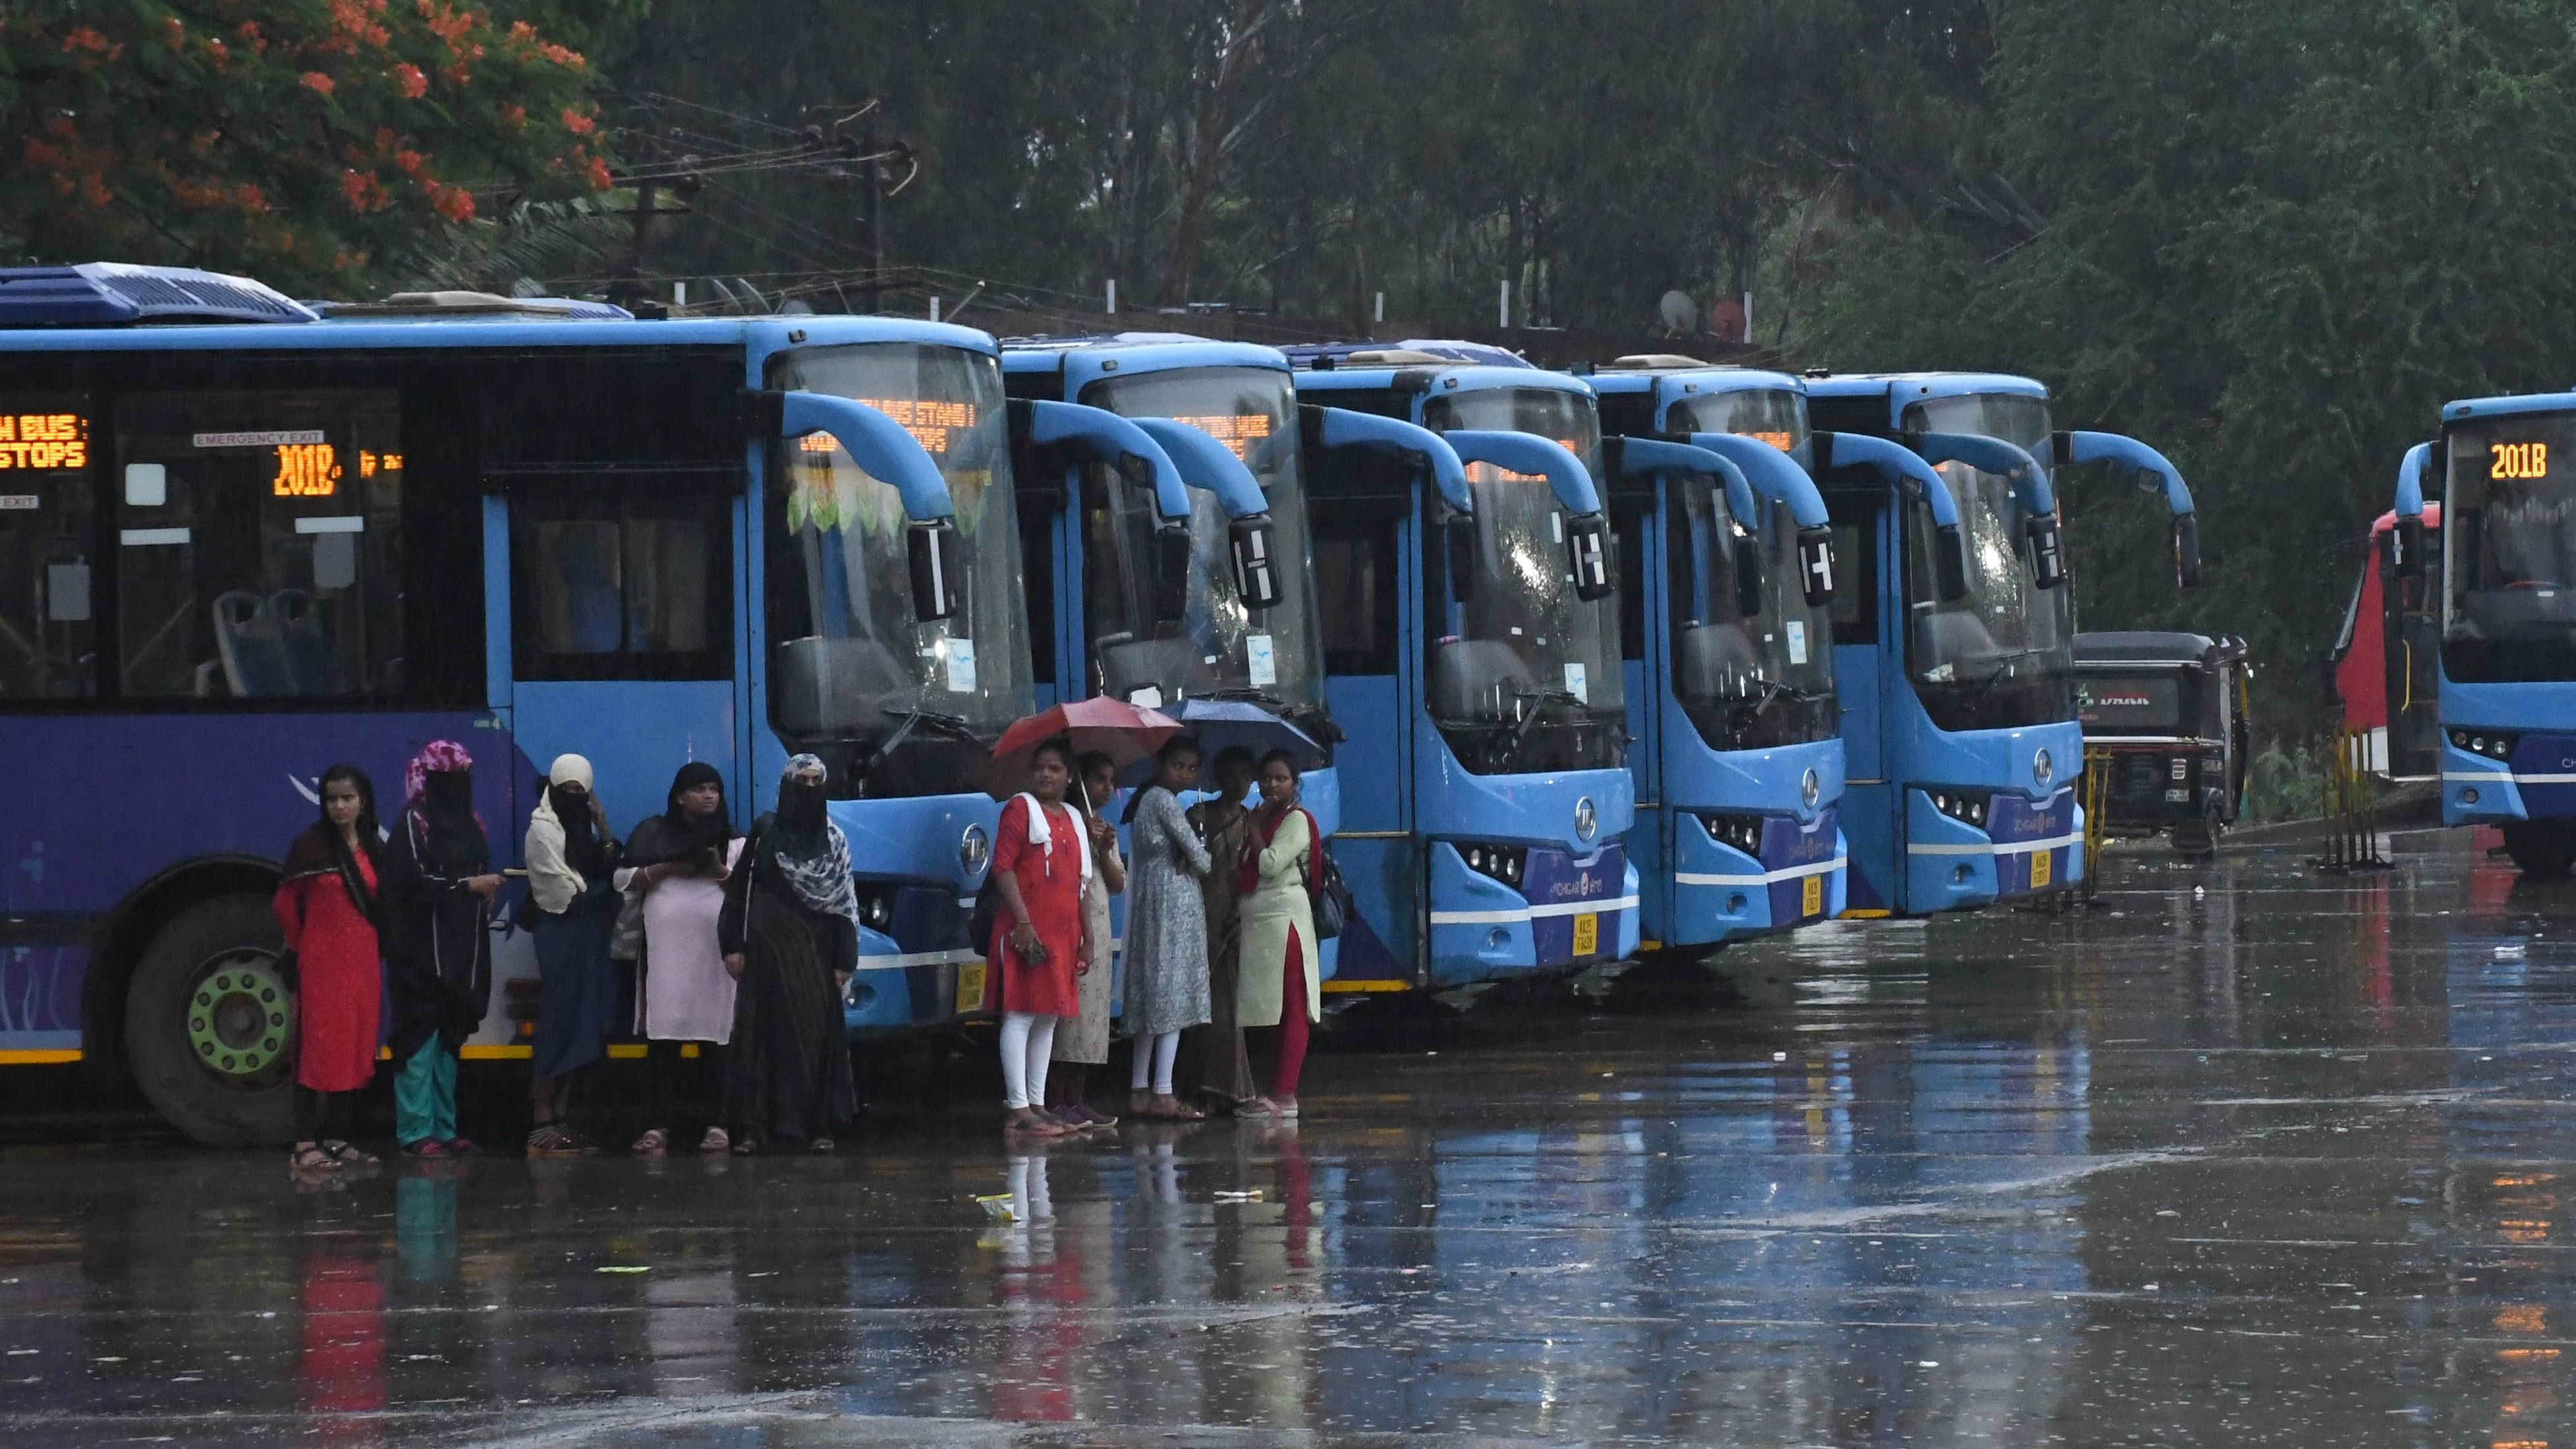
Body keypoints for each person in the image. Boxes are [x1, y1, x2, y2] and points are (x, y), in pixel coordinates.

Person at [718, 754, 862, 1152]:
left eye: (818, 781)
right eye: (803, 781)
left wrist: (844, 960)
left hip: (815, 956)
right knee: (759, 1038)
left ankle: (817, 1127)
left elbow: (845, 905)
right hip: (765, 953)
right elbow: (740, 892)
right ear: (786, 785)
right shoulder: (766, 831)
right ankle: (753, 1129)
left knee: (813, 1040)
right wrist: (732, 945)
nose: (810, 789)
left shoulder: (834, 840)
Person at [381, 741, 501, 1156]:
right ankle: (416, 1132)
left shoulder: (472, 822)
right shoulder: (414, 824)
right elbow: (410, 883)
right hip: (420, 952)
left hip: (462, 952)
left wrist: (484, 892)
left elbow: (480, 871)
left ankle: (446, 1129)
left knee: (449, 1040)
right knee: (419, 1039)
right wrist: (467, 886)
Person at [619, 762, 743, 1156]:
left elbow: (745, 887)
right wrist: (668, 867)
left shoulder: (733, 839)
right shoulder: (653, 832)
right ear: (679, 796)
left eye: (715, 789)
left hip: (715, 950)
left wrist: (717, 869)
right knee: (664, 1037)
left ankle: (719, 1125)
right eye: (700, 789)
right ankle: (657, 1126)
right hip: (666, 952)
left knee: (718, 1037)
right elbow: (622, 879)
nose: (710, 796)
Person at [278, 763, 386, 1170]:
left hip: (363, 964)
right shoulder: (310, 846)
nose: (339, 806)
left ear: (363, 802)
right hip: (322, 963)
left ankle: (339, 1138)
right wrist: (301, 946)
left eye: (348, 798)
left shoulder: (374, 846)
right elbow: (285, 903)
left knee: (355, 1047)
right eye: (331, 799)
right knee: (317, 1049)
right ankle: (305, 1144)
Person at [989, 739, 1089, 1137]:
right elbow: (1002, 868)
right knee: (1020, 1013)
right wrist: (1024, 921)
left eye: (1055, 769)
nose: (1046, 775)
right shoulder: (1020, 809)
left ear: (1068, 777)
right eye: (1040, 768)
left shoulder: (1073, 818)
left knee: (1047, 1018)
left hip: (1064, 933)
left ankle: (1038, 1103)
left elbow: (1081, 885)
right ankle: (1018, 1107)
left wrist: (1090, 938)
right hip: (1027, 929)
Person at [522, 754, 620, 1157]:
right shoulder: (542, 831)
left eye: (582, 791)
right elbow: (563, 893)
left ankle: (560, 1121)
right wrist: (606, 895)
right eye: (568, 790)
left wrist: (602, 824)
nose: (575, 797)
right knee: (560, 1020)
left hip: (590, 938)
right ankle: (542, 1124)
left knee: (585, 1021)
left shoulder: (582, 829)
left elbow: (608, 863)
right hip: (561, 934)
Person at [1121, 737, 1214, 1120]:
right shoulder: (1163, 800)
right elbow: (1203, 861)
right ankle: (1163, 1091)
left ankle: (1140, 1088)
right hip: (1173, 907)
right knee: (1171, 996)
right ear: (1161, 764)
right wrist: (1199, 846)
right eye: (1179, 765)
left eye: (1192, 768)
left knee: (1152, 998)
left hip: (1151, 903)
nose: (1185, 774)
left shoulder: (1146, 800)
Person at [1236, 750, 1322, 1120]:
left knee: (1292, 1008)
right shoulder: (1267, 817)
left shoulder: (1296, 820)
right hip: (1261, 925)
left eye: (1280, 778)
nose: (1271, 785)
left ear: (1294, 783)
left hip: (1286, 923)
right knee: (1273, 1009)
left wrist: (1253, 832)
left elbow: (1269, 864)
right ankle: (1275, 1092)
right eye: (1266, 778)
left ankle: (1286, 1096)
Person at [1044, 751, 1127, 1129]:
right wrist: (1082, 837)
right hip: (1071, 929)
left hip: (1099, 924)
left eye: (1111, 780)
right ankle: (1054, 1098)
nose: (1107, 787)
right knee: (1067, 1020)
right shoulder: (1064, 822)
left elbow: (1117, 883)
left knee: (1093, 1020)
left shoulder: (1099, 827)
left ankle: (1077, 1098)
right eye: (1098, 779)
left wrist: (1106, 848)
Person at [1175, 746, 1259, 1110]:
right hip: (1198, 915)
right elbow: (1180, 862)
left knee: (1228, 1011)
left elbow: (1258, 870)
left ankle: (1225, 1088)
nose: (1239, 783)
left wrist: (1242, 916)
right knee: (1196, 1009)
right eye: (1232, 775)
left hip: (1233, 916)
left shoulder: (1250, 821)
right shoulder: (1198, 814)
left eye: (1246, 776)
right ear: (1219, 778)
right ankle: (1191, 1085)